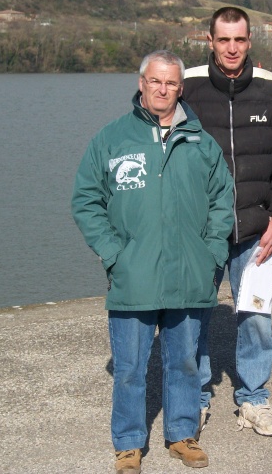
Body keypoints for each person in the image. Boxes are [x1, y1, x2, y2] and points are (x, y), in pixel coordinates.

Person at [72, 50, 234, 473]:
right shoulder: (112, 139)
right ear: (142, 83)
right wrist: (114, 255)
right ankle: (128, 444)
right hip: (134, 275)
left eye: (172, 83)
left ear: (181, 88)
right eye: (156, 81)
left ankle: (182, 435)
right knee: (129, 368)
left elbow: (222, 201)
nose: (163, 90)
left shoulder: (201, 142)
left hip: (189, 275)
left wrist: (211, 252)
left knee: (184, 361)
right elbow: (86, 201)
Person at [183, 6, 272, 437]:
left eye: (239, 39)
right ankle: (193, 400)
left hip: (257, 230)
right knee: (193, 315)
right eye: (223, 39)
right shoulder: (188, 88)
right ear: (210, 41)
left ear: (249, 40)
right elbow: (156, 133)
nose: (231, 48)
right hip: (202, 232)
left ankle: (253, 399)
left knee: (255, 314)